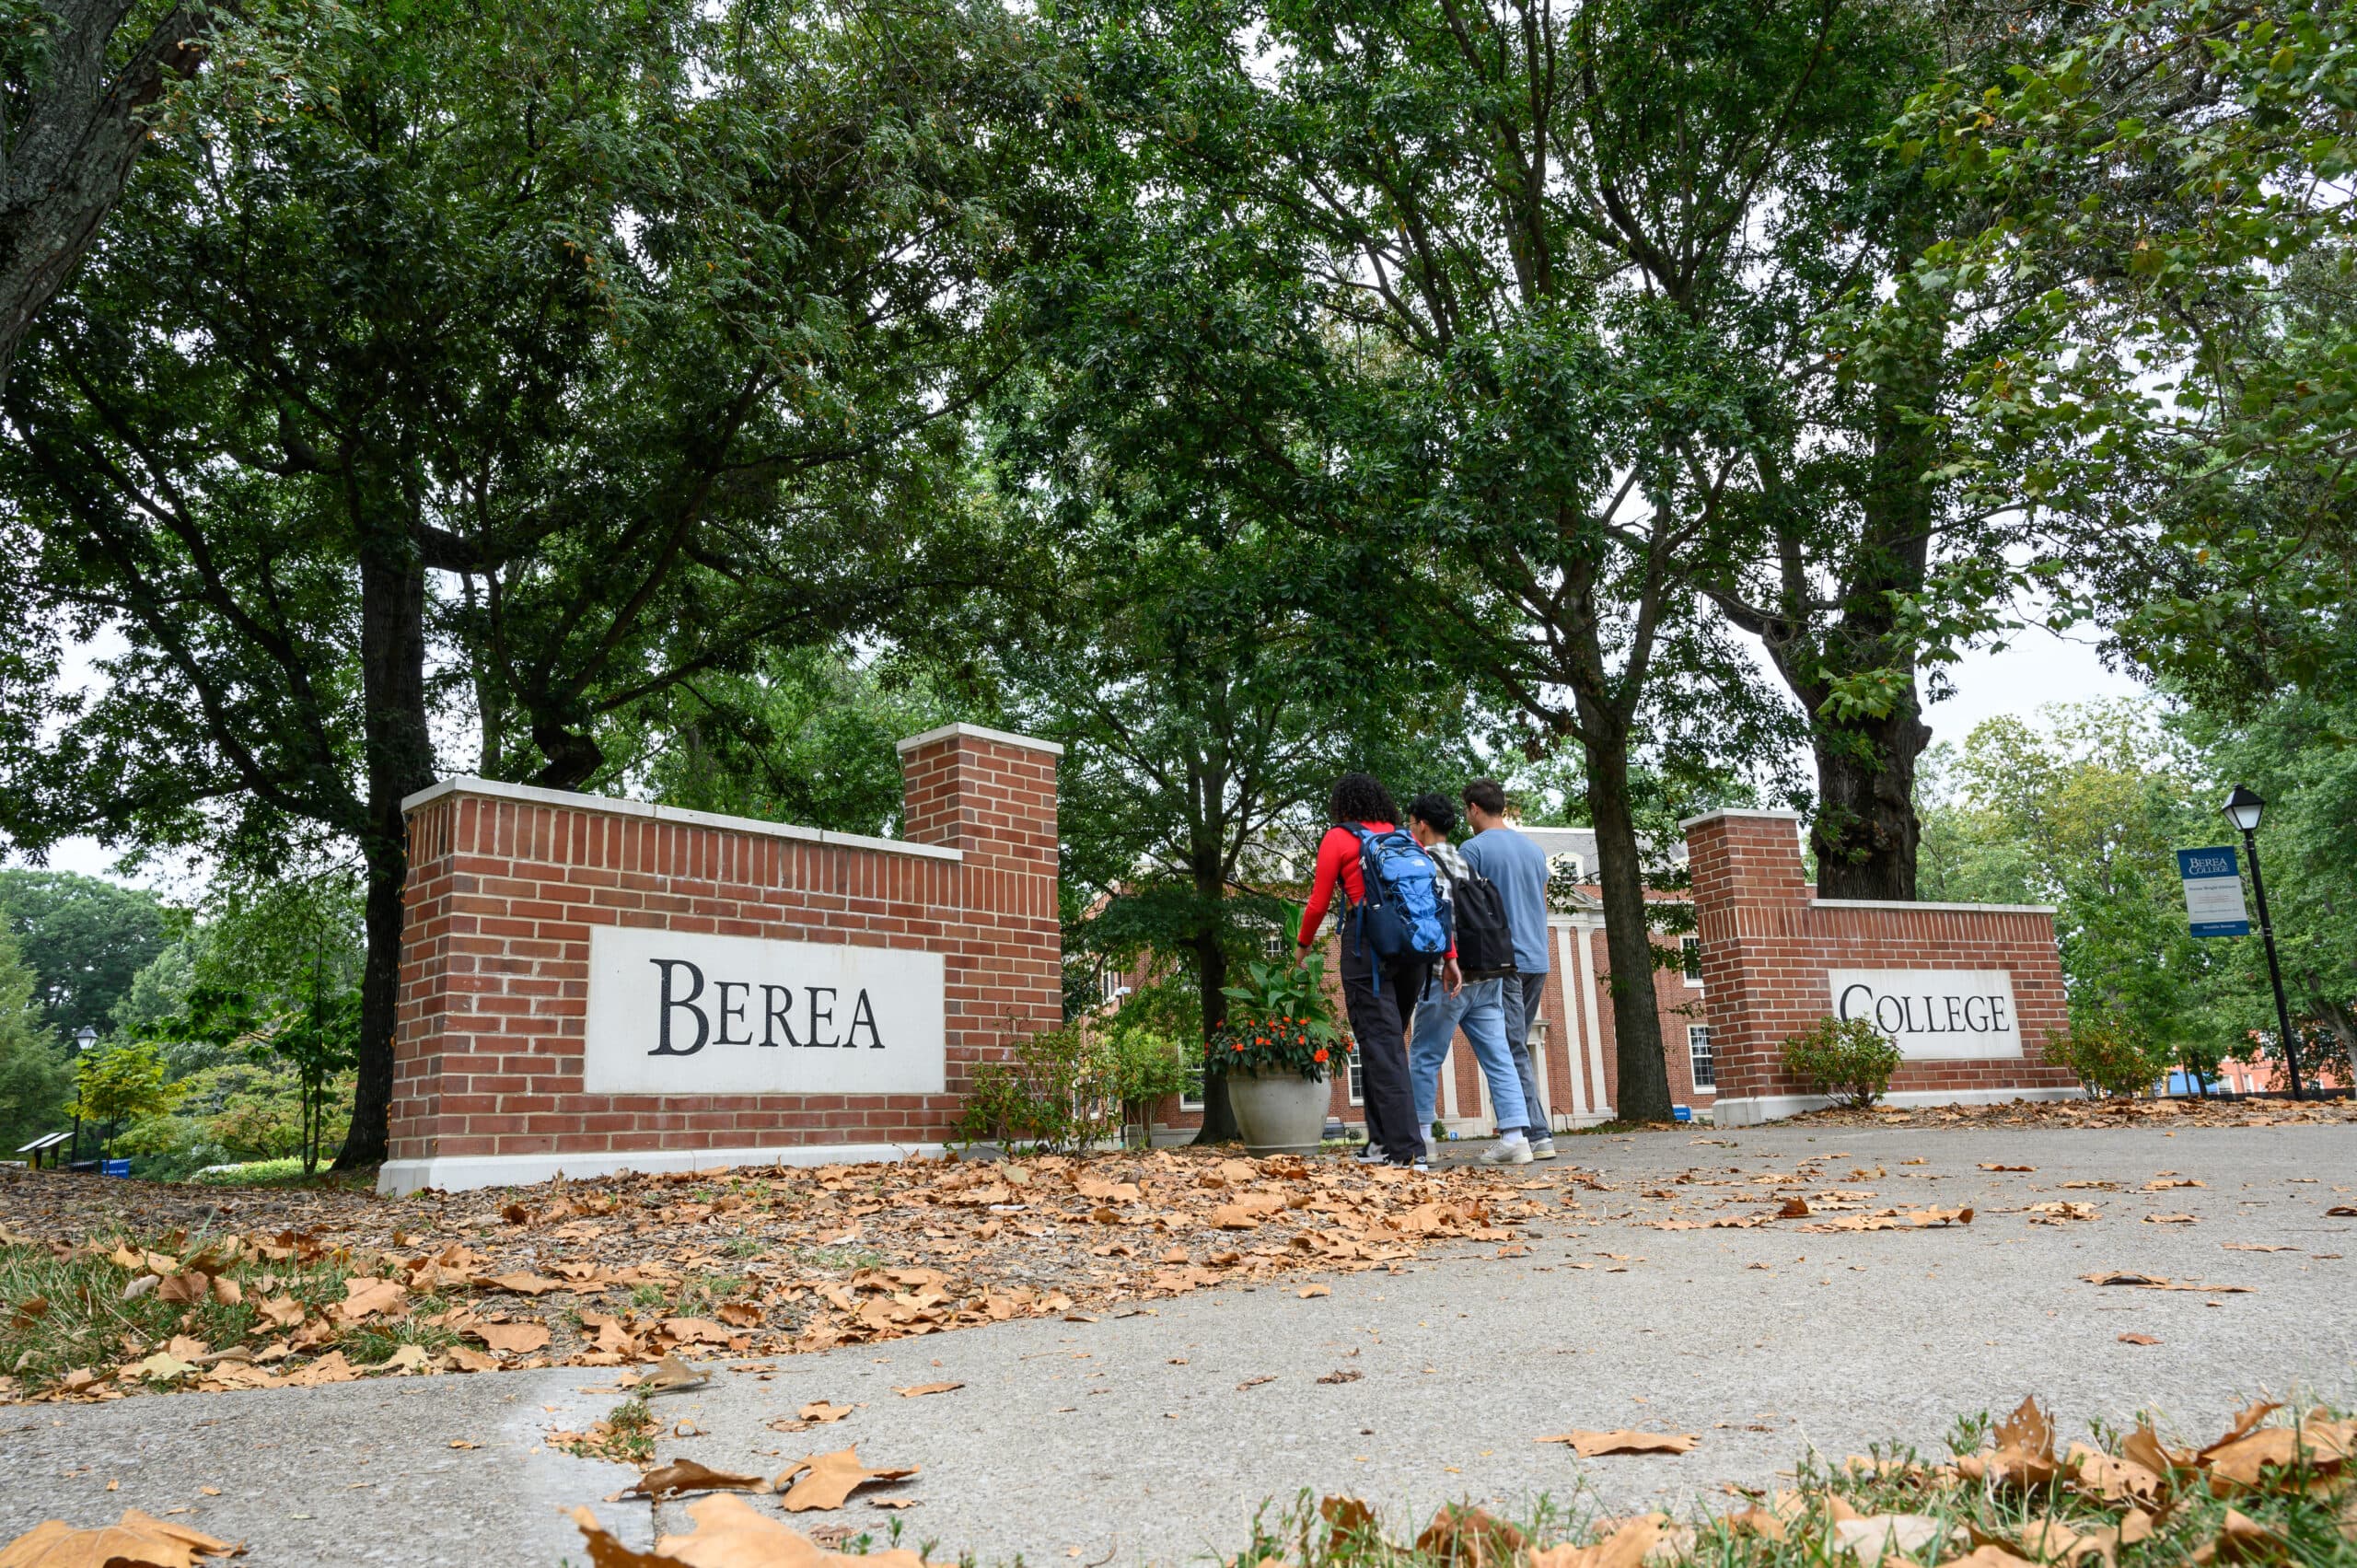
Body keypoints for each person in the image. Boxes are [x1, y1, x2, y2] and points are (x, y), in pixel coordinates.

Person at [1296, 772, 1446, 1169]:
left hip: (1369, 950)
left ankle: (1408, 1152)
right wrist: (1449, 956)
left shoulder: (1339, 838)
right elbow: (1430, 900)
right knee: (1386, 1046)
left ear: (1343, 805)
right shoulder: (1405, 838)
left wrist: (1303, 945)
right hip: (1414, 950)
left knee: (1383, 1049)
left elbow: (1317, 902)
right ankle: (1381, 1145)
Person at [1402, 794, 1532, 1165]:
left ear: (1421, 825)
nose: (1411, 829)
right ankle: (1515, 1137)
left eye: (1412, 824)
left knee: (1425, 1055)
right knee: (1499, 1055)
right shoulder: (1465, 862)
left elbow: (1433, 918)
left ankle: (1423, 1137)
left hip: (1448, 975)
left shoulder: (1423, 863)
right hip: (1488, 974)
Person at [1458, 779, 1558, 1159]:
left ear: (1473, 809)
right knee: (1513, 1043)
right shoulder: (1533, 850)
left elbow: (1466, 908)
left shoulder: (1473, 849)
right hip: (1537, 958)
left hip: (1504, 962)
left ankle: (1533, 1135)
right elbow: (1542, 904)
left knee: (1509, 1047)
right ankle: (1532, 1133)